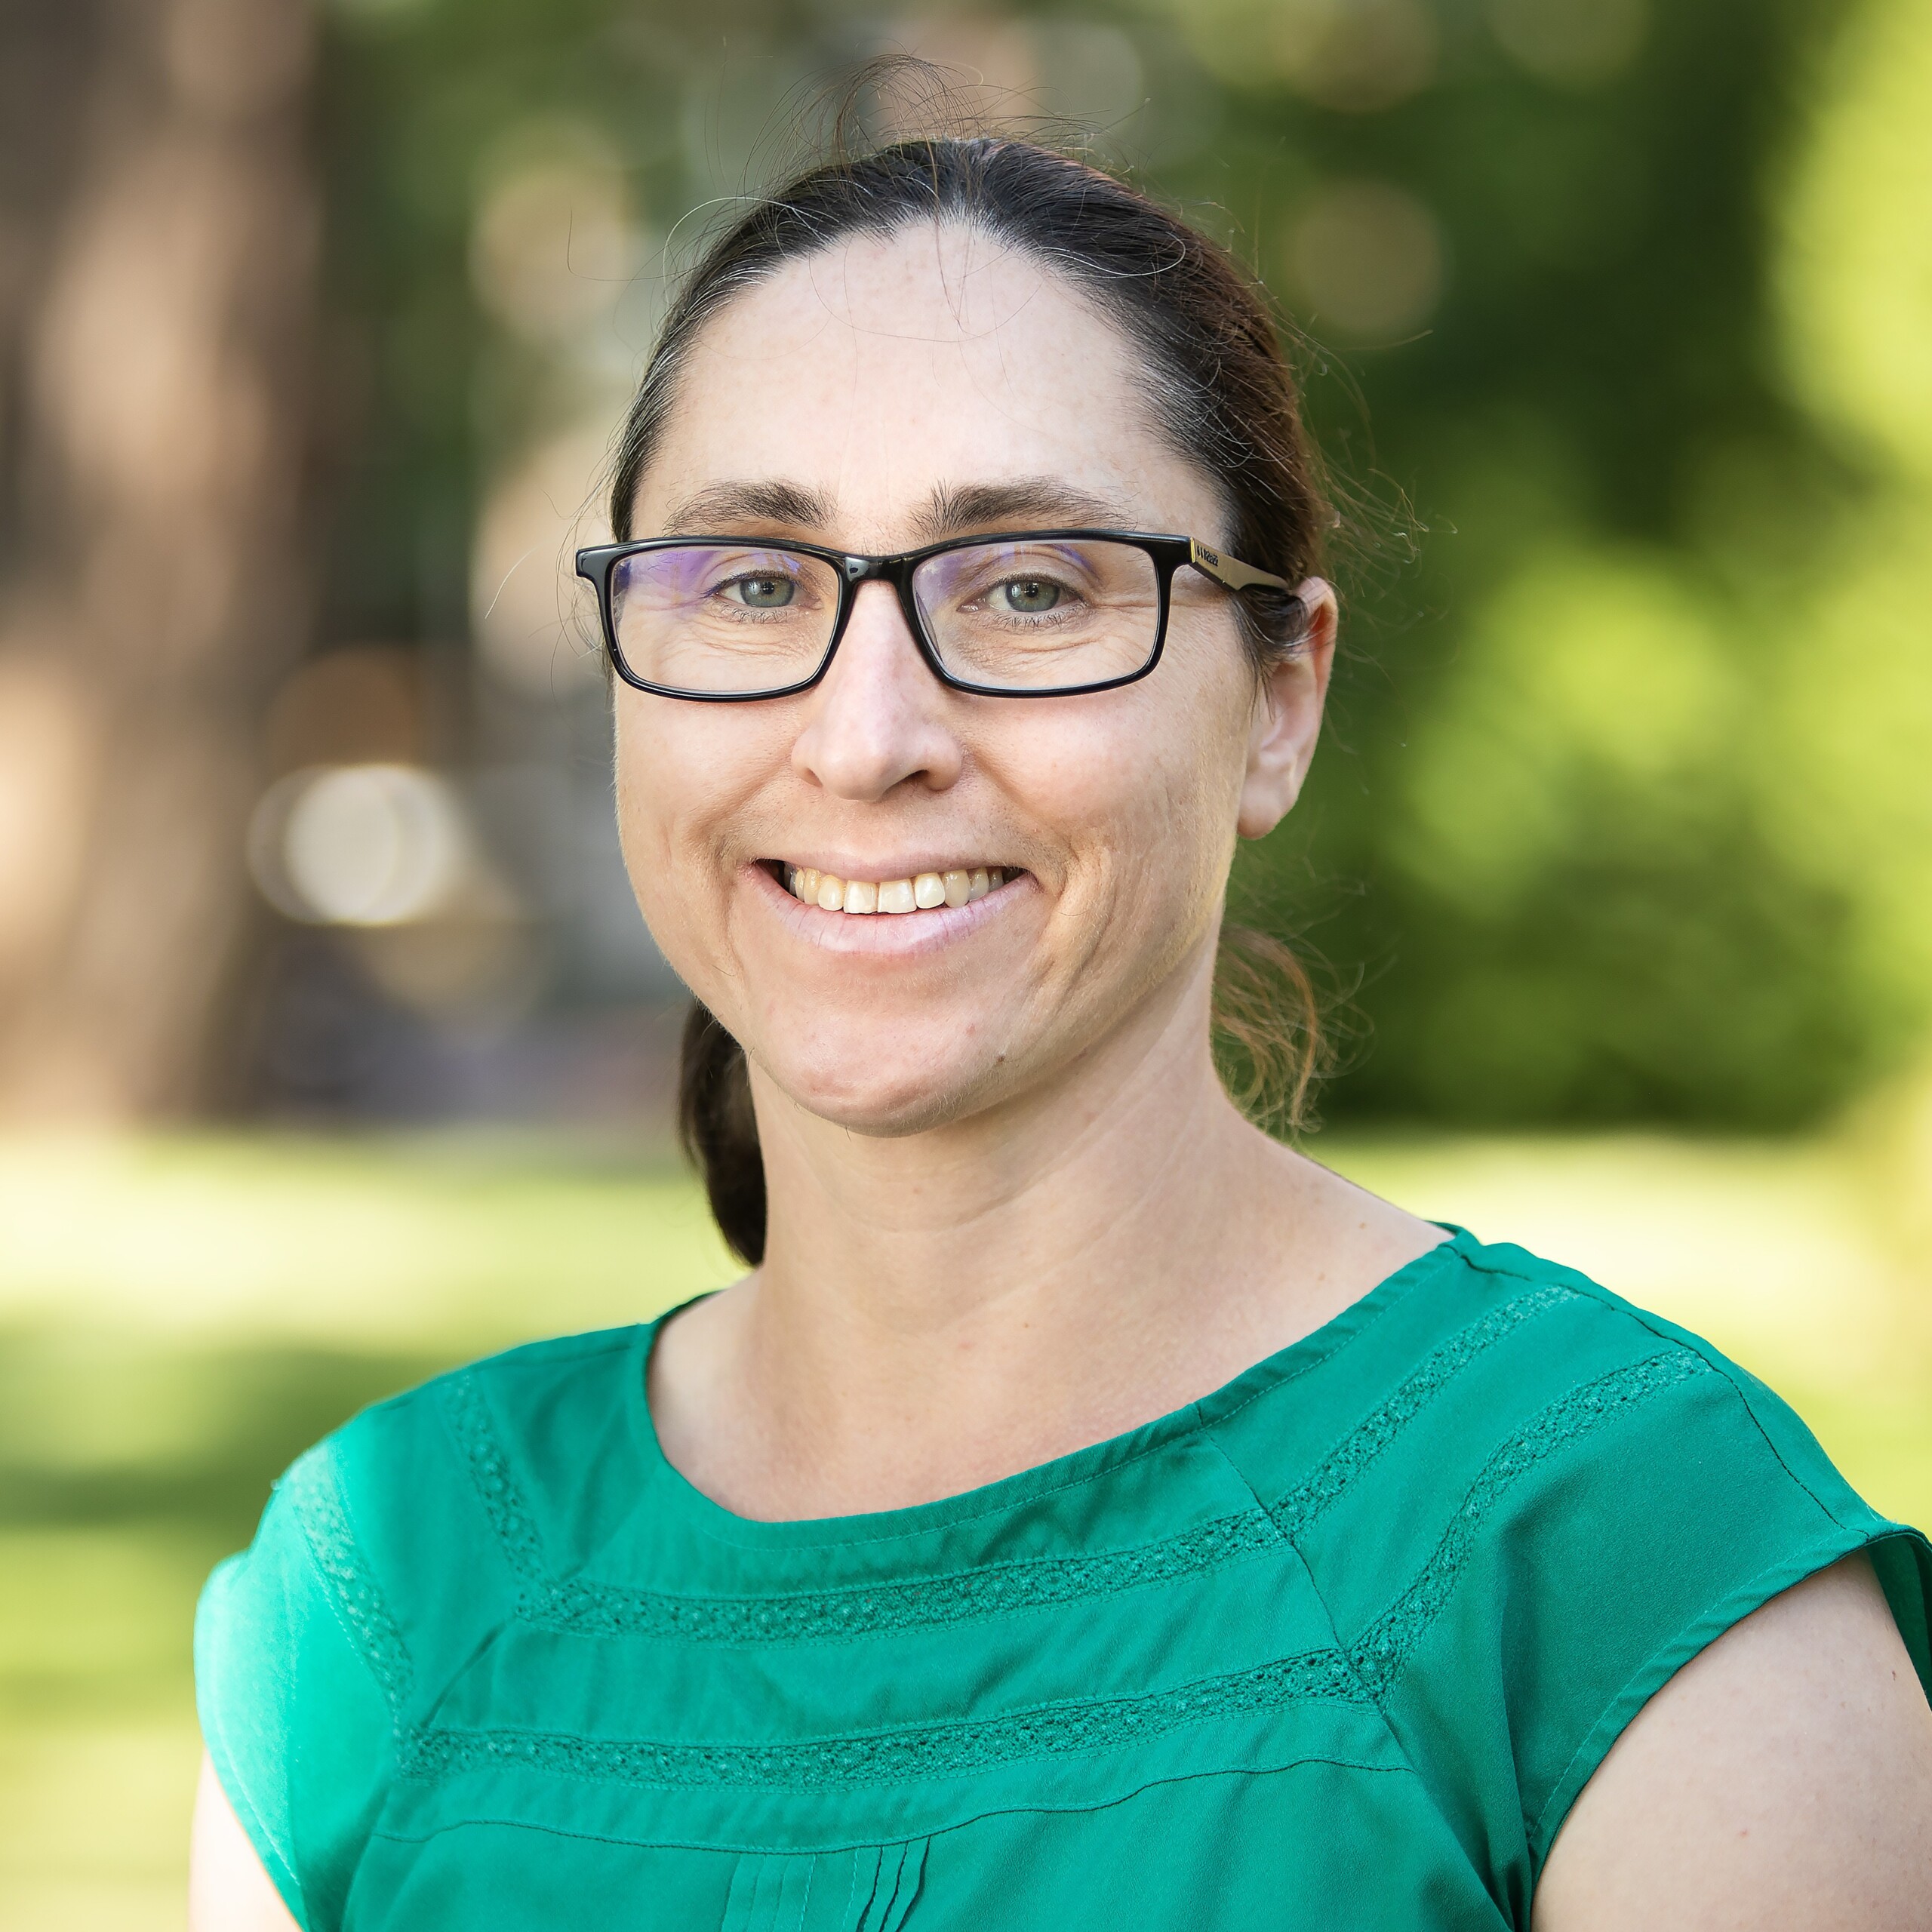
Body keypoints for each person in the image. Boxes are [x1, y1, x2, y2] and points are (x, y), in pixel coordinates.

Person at [190, 131, 1932, 1932]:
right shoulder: (377, 1600)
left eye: (1027, 587)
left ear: (1278, 699)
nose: (866, 736)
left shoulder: (1616, 1560)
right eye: (754, 582)